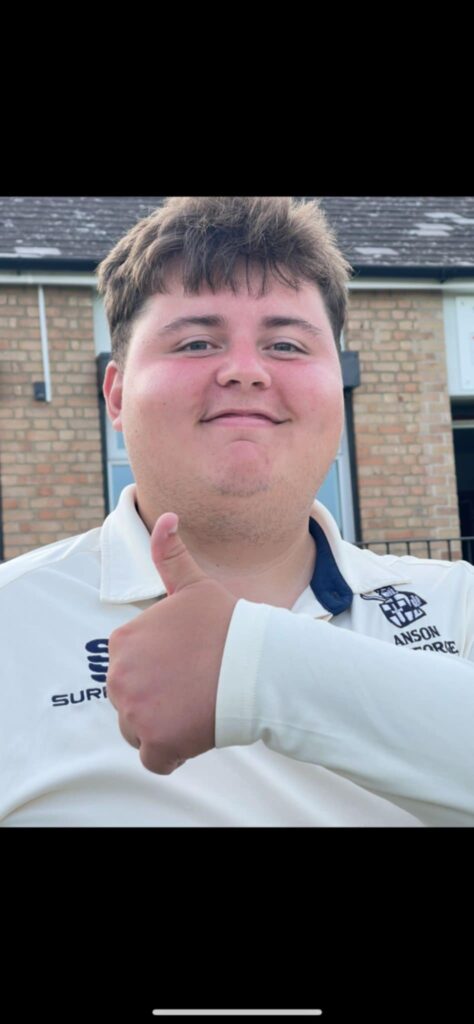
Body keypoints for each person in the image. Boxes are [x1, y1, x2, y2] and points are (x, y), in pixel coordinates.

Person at [1, 196, 474, 828]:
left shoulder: (458, 604)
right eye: (197, 342)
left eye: (285, 344)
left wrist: (257, 669)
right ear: (116, 397)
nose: (246, 372)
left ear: (338, 387)